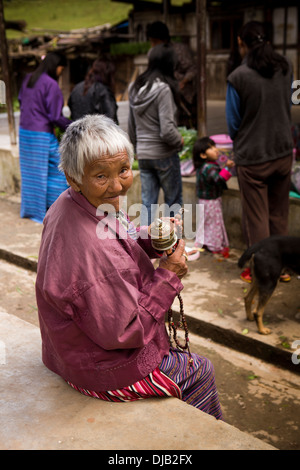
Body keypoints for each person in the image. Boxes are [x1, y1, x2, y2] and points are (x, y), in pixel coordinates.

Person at [35, 114, 223, 420]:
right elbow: (126, 332)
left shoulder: (75, 201)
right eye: (100, 176)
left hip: (67, 352)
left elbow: (123, 236)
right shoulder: (95, 251)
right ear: (73, 177)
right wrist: (169, 275)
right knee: (200, 371)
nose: (116, 186)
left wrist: (155, 236)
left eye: (123, 170)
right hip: (100, 369)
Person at [226, 21, 294, 282]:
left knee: (257, 219)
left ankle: (265, 272)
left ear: (242, 43)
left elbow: (233, 124)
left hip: (253, 159)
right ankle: (284, 268)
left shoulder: (238, 76)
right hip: (283, 152)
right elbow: (288, 102)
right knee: (279, 213)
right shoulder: (285, 67)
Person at [128, 43, 184, 226]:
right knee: (173, 205)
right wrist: (180, 141)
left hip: (143, 155)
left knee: (147, 206)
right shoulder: (163, 89)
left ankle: (146, 251)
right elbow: (167, 130)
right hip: (164, 155)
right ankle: (174, 249)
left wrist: (136, 148)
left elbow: (131, 125)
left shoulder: (135, 88)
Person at [18, 52, 71, 224]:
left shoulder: (28, 79)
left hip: (25, 132)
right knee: (60, 169)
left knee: (31, 173)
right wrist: (74, 126)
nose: (60, 72)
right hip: (41, 134)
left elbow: (21, 101)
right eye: (61, 69)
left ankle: (32, 209)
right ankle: (57, 206)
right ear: (56, 66)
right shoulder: (51, 85)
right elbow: (55, 116)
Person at [147, 21, 197, 129]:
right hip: (162, 94)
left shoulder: (179, 50)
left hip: (183, 96)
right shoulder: (152, 53)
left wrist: (183, 82)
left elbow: (192, 69)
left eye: (155, 41)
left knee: (187, 127)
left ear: (164, 39)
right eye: (151, 42)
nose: (153, 45)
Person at [190, 137, 234, 258]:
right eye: (211, 148)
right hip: (212, 201)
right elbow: (219, 180)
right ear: (203, 155)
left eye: (214, 146)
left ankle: (203, 241)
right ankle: (215, 245)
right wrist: (227, 168)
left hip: (203, 200)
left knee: (204, 223)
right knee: (214, 223)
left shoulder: (203, 167)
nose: (216, 150)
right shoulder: (210, 168)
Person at [68, 57, 118, 123]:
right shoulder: (104, 91)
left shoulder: (77, 87)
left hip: (77, 130)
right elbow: (111, 118)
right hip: (96, 131)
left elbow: (71, 106)